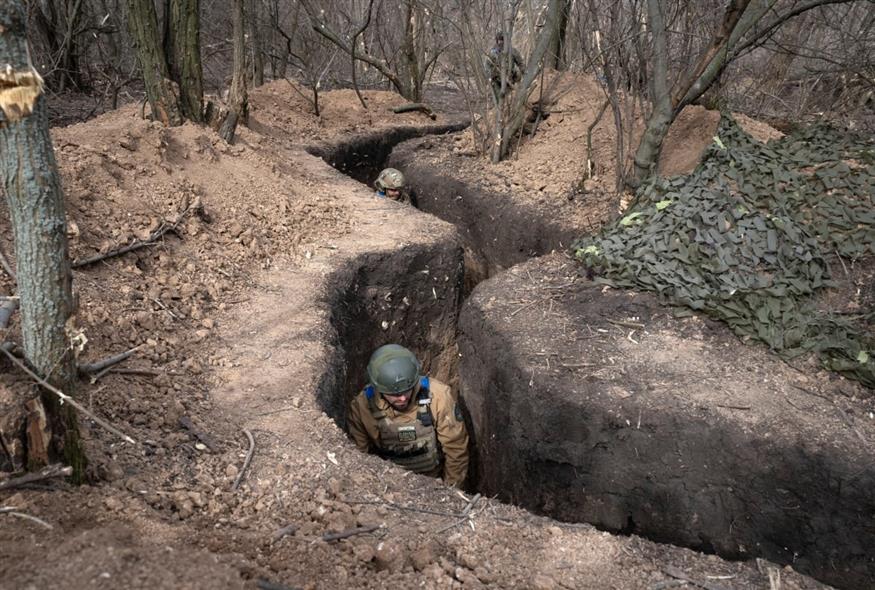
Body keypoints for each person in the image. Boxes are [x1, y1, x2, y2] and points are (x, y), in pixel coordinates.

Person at [348, 344, 469, 488]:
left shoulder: (438, 397)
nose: (403, 399)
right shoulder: (363, 406)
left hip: (433, 484)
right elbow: (358, 456)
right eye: (394, 395)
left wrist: (450, 492)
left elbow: (456, 449)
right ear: (378, 389)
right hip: (390, 487)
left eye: (407, 390)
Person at [484, 31, 525, 104]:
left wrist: (524, 73)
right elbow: (487, 65)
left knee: (509, 100)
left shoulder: (512, 51)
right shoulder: (493, 52)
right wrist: (489, 76)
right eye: (499, 40)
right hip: (496, 80)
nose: (500, 42)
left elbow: (521, 63)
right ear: (497, 41)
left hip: (509, 80)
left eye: (502, 40)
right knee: (499, 100)